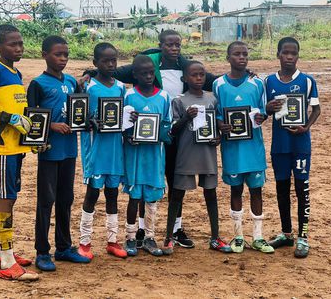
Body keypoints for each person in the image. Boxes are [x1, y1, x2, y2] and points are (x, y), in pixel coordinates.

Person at [85, 30, 218, 249]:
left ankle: (175, 229)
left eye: (177, 45)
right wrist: (90, 73)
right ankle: (138, 231)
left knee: (173, 183)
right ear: (160, 46)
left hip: (177, 133)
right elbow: (116, 71)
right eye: (169, 45)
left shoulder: (184, 66)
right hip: (147, 139)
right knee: (140, 185)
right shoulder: (147, 70)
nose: (174, 49)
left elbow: (208, 77)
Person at [0, 24, 38, 281]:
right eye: (13, 44)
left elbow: (19, 113)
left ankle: (2, 252)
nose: (19, 48)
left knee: (10, 197)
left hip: (17, 146)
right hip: (2, 147)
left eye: (20, 44)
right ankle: (7, 262)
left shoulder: (16, 72)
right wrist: (6, 116)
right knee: (5, 197)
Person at [27, 35, 90, 271]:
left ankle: (63, 247)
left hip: (69, 150)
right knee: (46, 201)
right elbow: (31, 117)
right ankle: (42, 252)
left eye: (66, 54)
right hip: (49, 151)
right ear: (45, 55)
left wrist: (80, 119)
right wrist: (51, 125)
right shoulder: (38, 84)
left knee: (66, 199)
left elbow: (77, 110)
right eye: (57, 54)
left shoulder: (72, 81)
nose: (63, 59)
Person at [162, 61, 231, 255]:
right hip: (186, 154)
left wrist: (218, 136)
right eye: (194, 75)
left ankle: (215, 237)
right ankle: (169, 237)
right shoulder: (179, 100)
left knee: (211, 193)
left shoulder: (212, 99)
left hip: (207, 153)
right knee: (177, 194)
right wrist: (186, 117)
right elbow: (172, 131)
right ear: (185, 78)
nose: (198, 78)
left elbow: (217, 124)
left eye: (201, 75)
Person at [213, 41, 274, 254]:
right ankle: (238, 235)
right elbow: (217, 114)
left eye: (245, 55)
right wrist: (222, 125)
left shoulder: (257, 83)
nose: (242, 58)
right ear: (228, 57)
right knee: (235, 190)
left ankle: (258, 236)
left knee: (256, 191)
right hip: (232, 149)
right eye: (237, 54)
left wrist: (261, 116)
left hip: (253, 146)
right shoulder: (219, 84)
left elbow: (264, 112)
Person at [265, 37, 320, 258]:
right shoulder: (268, 81)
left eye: (294, 53)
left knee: (301, 190)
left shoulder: (307, 81)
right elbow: (265, 111)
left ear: (298, 55)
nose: (289, 57)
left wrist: (306, 127)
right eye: (285, 53)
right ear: (278, 54)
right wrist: (269, 108)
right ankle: (286, 234)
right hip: (279, 146)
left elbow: (316, 109)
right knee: (281, 189)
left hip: (300, 146)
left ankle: (303, 237)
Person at [78, 43, 127, 260]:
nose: (110, 64)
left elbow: (124, 115)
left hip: (116, 150)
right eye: (106, 61)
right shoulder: (88, 87)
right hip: (95, 151)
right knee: (92, 194)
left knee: (113, 194)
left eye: (114, 60)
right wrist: (90, 121)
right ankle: (84, 241)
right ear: (95, 62)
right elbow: (79, 116)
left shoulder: (120, 87)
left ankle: (112, 240)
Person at [122, 55, 171, 257]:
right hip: (134, 156)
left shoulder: (164, 97)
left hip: (154, 156)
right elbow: (122, 126)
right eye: (144, 73)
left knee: (151, 198)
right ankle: (130, 237)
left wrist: (159, 134)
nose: (149, 76)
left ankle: (149, 237)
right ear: (135, 75)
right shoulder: (129, 96)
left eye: (152, 72)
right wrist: (129, 134)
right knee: (134, 197)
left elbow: (168, 125)